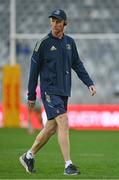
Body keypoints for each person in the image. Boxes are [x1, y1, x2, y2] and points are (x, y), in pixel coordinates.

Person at [19, 9, 96, 175]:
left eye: (58, 21)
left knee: (52, 127)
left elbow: (77, 64)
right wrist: (31, 95)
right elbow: (33, 71)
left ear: (65, 23)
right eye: (52, 21)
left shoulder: (70, 43)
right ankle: (68, 165)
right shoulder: (43, 44)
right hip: (49, 90)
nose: (55, 24)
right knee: (63, 119)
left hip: (63, 91)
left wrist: (89, 83)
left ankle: (28, 155)